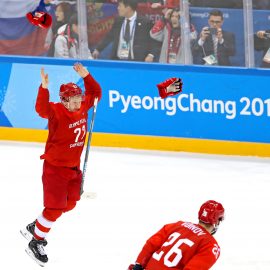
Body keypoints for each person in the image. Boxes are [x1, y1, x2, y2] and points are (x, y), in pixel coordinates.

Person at [20, 63, 102, 266]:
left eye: (78, 100)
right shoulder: (56, 111)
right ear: (64, 100)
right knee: (55, 208)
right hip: (55, 169)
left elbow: (96, 93)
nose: (77, 104)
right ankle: (36, 241)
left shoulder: (83, 106)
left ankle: (37, 225)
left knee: (71, 203)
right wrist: (44, 88)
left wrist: (87, 76)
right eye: (72, 101)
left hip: (74, 169)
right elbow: (41, 109)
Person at [128, 200, 225, 270]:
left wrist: (138, 265)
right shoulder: (211, 246)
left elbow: (151, 244)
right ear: (216, 221)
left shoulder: (177, 225)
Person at [92, 0, 160, 62]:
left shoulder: (145, 22)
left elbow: (154, 41)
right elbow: (109, 36)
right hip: (118, 60)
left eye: (120, 6)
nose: (118, 8)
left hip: (137, 62)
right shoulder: (118, 21)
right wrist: (98, 49)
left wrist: (151, 55)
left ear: (128, 8)